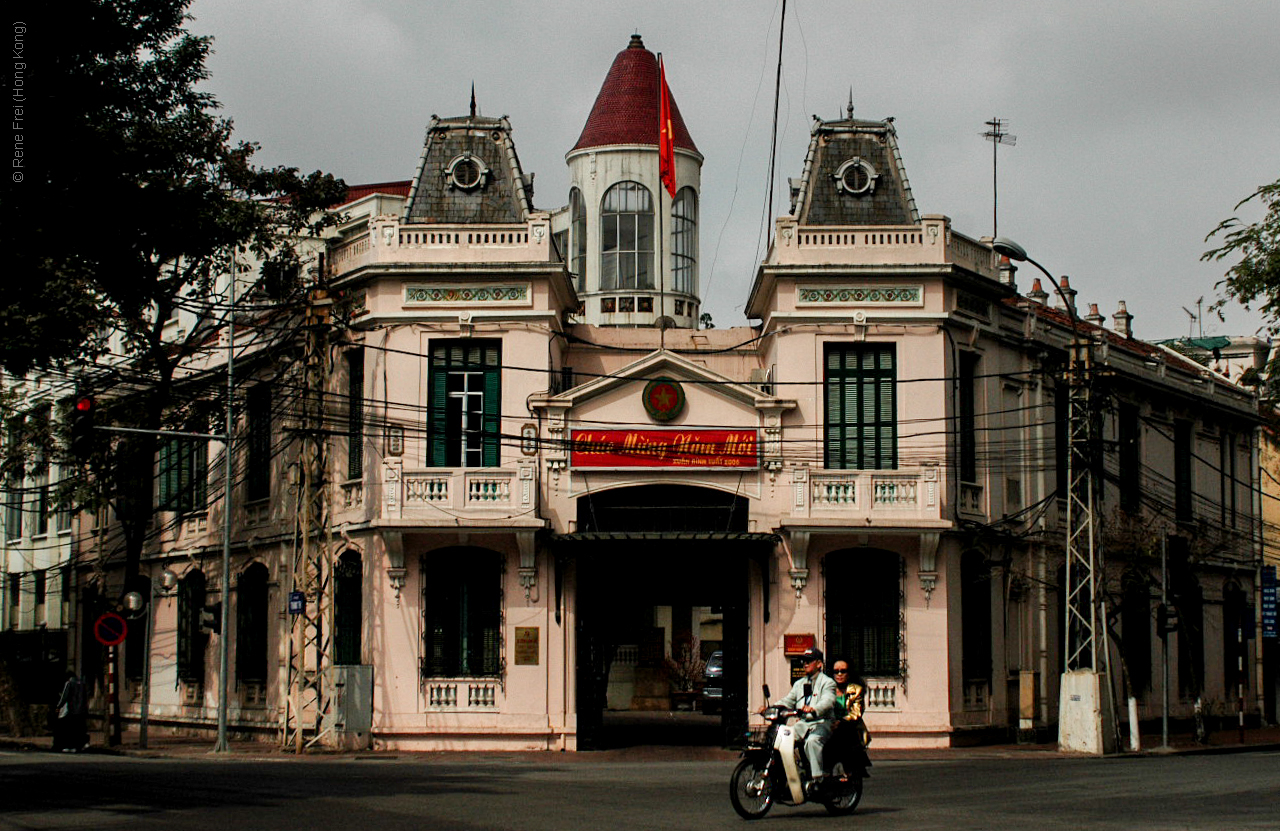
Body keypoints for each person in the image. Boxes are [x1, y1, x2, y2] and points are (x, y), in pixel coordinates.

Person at [772, 647, 836, 787]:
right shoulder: (799, 684)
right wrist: (770, 708)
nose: (805, 664)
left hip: (822, 722)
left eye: (809, 661)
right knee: (782, 740)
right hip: (803, 724)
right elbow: (788, 701)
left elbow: (828, 700)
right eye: (804, 661)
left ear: (819, 664)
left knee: (812, 742)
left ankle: (817, 779)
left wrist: (814, 709)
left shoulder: (827, 682)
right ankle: (788, 778)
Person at [53, 671, 86, 753]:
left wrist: (58, 706)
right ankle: (78, 746)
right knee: (78, 729)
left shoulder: (69, 683)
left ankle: (69, 746)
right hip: (81, 710)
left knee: (69, 729)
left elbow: (64, 696)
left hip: (72, 709)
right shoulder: (82, 684)